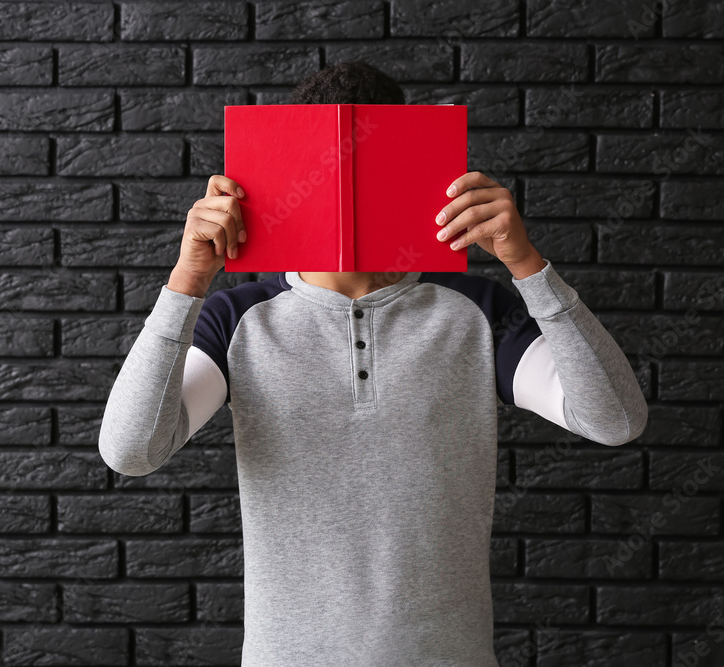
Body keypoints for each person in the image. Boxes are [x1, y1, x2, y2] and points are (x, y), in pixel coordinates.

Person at [99, 61, 648, 666]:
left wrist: (527, 265)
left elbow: (614, 418)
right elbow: (130, 449)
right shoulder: (239, 319)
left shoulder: (475, 312)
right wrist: (188, 281)